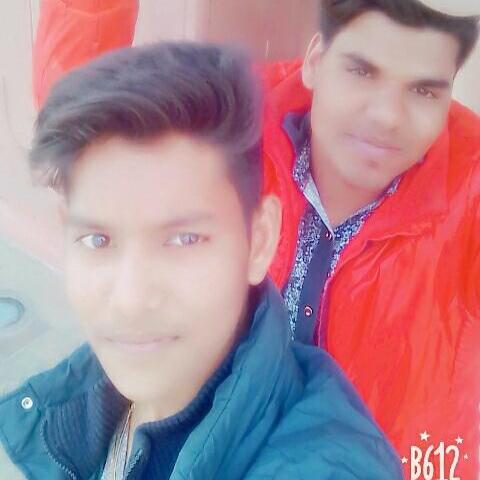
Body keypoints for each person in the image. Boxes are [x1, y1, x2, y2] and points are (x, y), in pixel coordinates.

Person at [0, 42, 402, 479]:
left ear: (259, 240)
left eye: (183, 239)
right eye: (98, 240)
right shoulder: (79, 408)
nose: (130, 300)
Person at [261, 1, 480, 478]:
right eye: (362, 71)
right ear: (315, 61)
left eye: (423, 90)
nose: (386, 117)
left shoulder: (470, 186)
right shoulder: (231, 126)